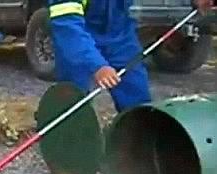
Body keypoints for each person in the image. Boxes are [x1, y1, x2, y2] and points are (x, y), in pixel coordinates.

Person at [48, 0, 213, 112]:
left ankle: (137, 141)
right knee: (72, 100)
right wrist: (97, 65)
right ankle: (67, 141)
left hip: (120, 37)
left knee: (136, 94)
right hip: (78, 38)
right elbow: (68, 28)